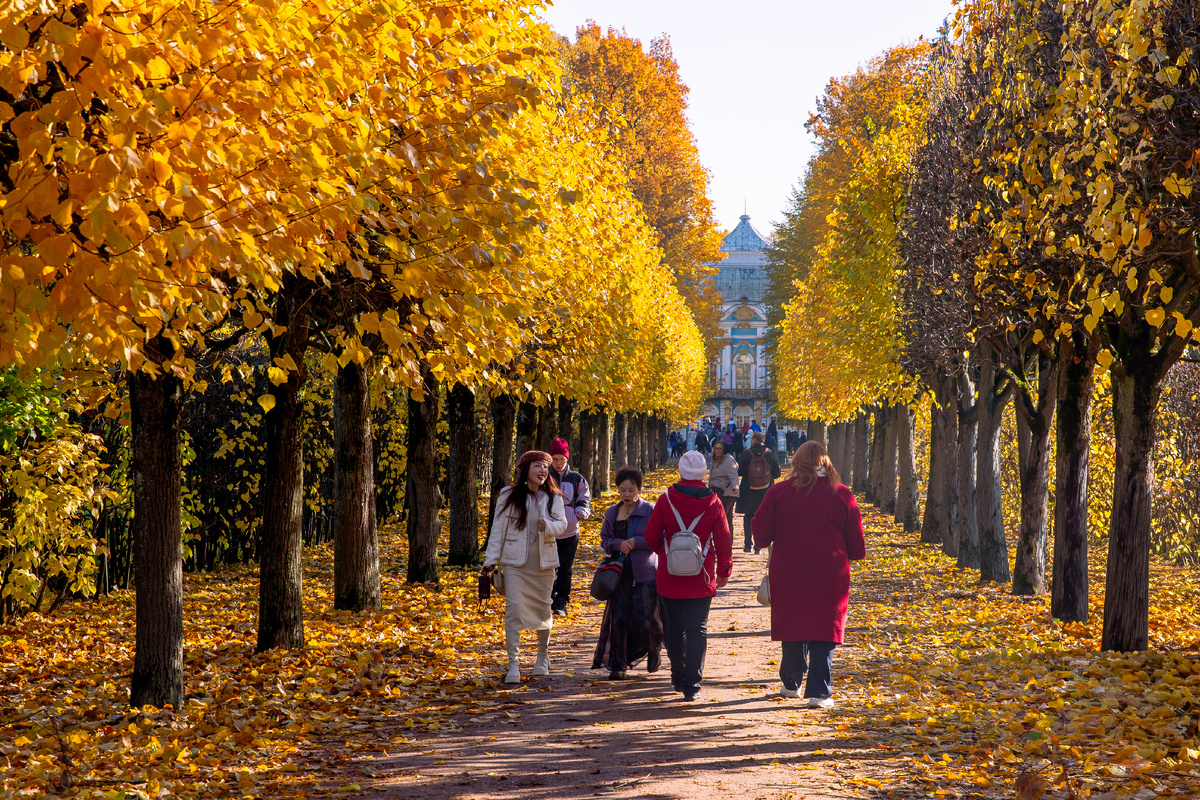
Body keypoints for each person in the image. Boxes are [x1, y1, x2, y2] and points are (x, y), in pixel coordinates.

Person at [752, 441, 866, 707]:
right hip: (830, 571)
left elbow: (760, 534)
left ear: (797, 462)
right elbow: (857, 544)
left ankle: (791, 682)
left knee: (793, 622)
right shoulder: (842, 494)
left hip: (789, 570)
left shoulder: (779, 492)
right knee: (824, 629)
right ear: (825, 461)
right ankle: (819, 691)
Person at [644, 451, 733, 701]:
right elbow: (724, 540)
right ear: (703, 473)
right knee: (698, 629)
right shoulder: (714, 502)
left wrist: (668, 552)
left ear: (680, 472)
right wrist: (724, 569)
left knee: (673, 627)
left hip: (669, 575)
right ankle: (693, 684)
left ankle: (677, 673)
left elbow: (651, 536)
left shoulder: (665, 500)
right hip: (702, 576)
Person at [483, 450, 568, 683]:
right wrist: (491, 559)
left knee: (543, 610)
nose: (542, 471)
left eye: (545, 467)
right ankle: (513, 664)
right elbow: (498, 528)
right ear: (526, 470)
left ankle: (542, 657)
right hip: (513, 563)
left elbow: (563, 524)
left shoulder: (553, 496)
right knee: (515, 609)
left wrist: (548, 526)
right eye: (537, 466)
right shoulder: (508, 494)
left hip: (544, 563)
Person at [593, 467, 662, 680]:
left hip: (645, 573)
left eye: (631, 490)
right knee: (619, 618)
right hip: (619, 574)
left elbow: (658, 539)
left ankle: (653, 649)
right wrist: (617, 543)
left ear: (639, 489)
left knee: (647, 618)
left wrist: (636, 542)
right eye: (622, 490)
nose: (627, 494)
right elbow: (605, 540)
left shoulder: (650, 510)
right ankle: (618, 664)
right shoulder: (612, 513)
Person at [548, 438, 591, 616]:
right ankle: (547, 598)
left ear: (567, 459)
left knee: (565, 568)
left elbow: (585, 500)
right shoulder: (545, 477)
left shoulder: (576, 478)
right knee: (548, 567)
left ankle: (561, 600)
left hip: (570, 532)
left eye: (562, 459)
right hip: (548, 532)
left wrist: (577, 515)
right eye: (555, 459)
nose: (558, 463)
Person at [736, 431, 781, 553]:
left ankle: (747, 545)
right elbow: (777, 473)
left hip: (748, 490)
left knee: (748, 517)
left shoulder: (746, 454)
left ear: (754, 440)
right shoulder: (770, 454)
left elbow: (739, 472)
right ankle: (759, 546)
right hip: (765, 491)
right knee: (763, 518)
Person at [707, 440, 739, 536]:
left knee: (722, 519)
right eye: (716, 448)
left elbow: (733, 474)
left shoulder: (728, 460)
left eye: (720, 448)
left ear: (724, 450)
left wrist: (735, 487)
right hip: (718, 493)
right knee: (726, 519)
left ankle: (726, 542)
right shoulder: (717, 460)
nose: (717, 450)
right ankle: (727, 543)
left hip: (727, 494)